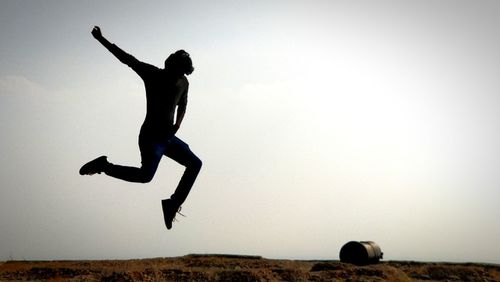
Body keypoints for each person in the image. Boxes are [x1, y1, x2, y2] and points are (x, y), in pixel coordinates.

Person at [80, 26, 202, 230]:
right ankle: (103, 166)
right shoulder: (152, 74)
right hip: (151, 138)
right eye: (174, 70)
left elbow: (183, 105)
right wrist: (101, 39)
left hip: (168, 138)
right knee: (146, 176)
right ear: (169, 65)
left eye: (180, 72)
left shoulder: (184, 82)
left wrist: (178, 124)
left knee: (195, 163)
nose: (176, 75)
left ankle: (173, 204)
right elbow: (126, 59)